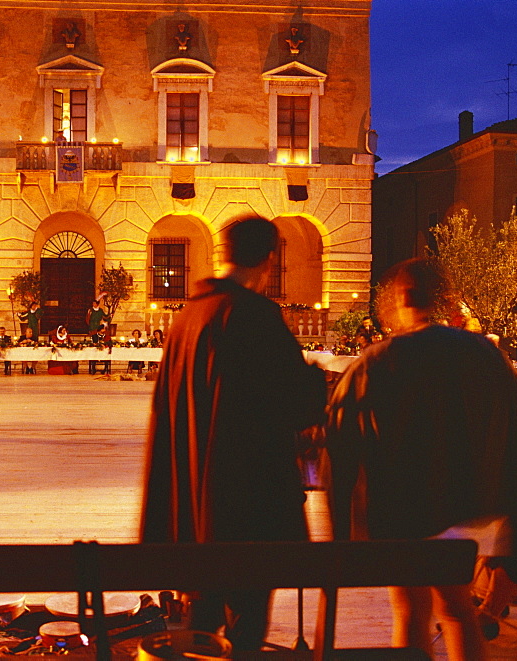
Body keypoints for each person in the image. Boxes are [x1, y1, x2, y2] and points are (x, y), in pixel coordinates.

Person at [326, 258, 517, 660]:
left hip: (401, 509)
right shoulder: (483, 356)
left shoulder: (377, 362)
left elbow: (341, 441)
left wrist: (343, 530)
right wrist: (513, 501)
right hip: (465, 505)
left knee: (410, 608)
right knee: (456, 609)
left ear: (402, 297)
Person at [141, 216, 326, 650]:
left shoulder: (187, 317)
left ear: (221, 253)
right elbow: (297, 405)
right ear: (268, 260)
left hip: (193, 503)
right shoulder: (255, 315)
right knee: (247, 621)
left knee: (201, 623)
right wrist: (318, 380)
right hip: (246, 504)